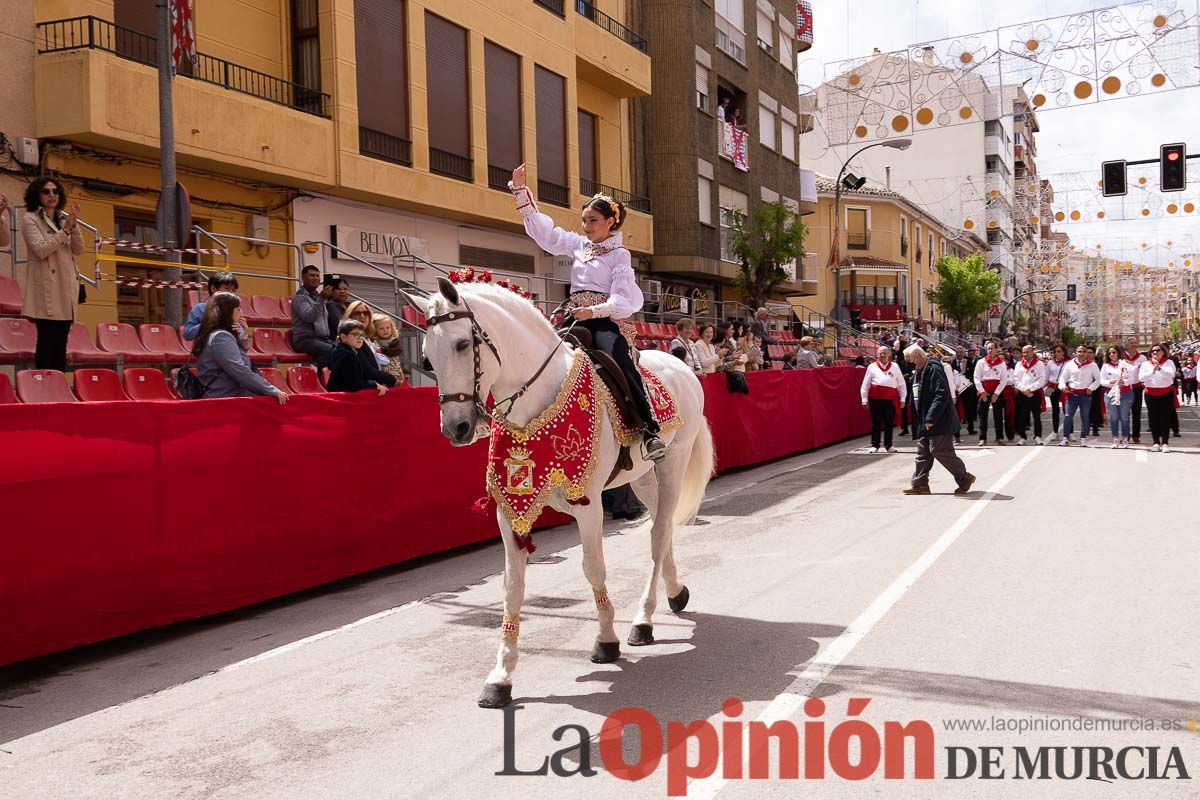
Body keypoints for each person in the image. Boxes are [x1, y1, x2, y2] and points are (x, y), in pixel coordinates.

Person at [509, 164, 666, 459]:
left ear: (610, 222)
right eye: (583, 221)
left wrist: (593, 312)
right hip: (573, 316)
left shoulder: (620, 254)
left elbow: (626, 300)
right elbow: (547, 235)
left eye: (593, 220)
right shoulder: (579, 245)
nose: (586, 226)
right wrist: (521, 194)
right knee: (540, 354)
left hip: (603, 319)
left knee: (619, 358)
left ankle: (648, 430)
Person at [20, 177, 84, 372]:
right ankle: (44, 389)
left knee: (61, 344)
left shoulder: (65, 218)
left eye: (55, 191)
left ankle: (58, 389)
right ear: (36, 195)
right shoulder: (30, 218)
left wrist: (73, 227)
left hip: (65, 288)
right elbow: (40, 250)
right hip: (47, 289)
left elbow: (79, 249)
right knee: (47, 342)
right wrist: (65, 231)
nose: (52, 195)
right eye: (46, 192)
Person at [902, 344, 974, 496]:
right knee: (923, 453)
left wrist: (931, 417)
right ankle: (920, 485)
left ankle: (964, 478)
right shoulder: (919, 371)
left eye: (910, 360)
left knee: (940, 450)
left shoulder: (933, 368)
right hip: (924, 420)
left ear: (918, 357)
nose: (909, 364)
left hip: (938, 420)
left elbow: (941, 394)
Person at [191, 292, 287, 403]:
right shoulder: (221, 337)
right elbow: (240, 370)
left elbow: (240, 357)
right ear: (227, 312)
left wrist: (239, 337)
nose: (240, 315)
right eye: (237, 310)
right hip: (222, 399)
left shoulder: (219, 334)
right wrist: (271, 390)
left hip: (227, 396)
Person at [861, 345, 907, 453]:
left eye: (884, 353)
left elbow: (901, 383)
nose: (882, 355)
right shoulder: (872, 366)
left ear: (889, 355)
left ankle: (889, 445)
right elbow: (865, 384)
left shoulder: (895, 366)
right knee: (876, 423)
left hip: (890, 399)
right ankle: (875, 445)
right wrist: (864, 399)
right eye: (880, 353)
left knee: (889, 423)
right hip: (875, 399)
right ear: (877, 354)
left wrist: (903, 398)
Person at [326, 319, 390, 395]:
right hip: (342, 397)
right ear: (343, 337)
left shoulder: (340, 349)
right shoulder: (348, 355)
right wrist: (375, 385)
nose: (360, 338)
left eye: (362, 335)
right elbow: (355, 384)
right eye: (355, 334)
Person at [344, 300, 397, 389]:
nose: (362, 316)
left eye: (366, 313)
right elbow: (367, 371)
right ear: (350, 317)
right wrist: (392, 379)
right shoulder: (351, 339)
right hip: (359, 391)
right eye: (357, 313)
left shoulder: (368, 338)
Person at [1058, 344, 1100, 447]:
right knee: (1068, 416)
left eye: (1084, 351)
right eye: (1079, 351)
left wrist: (1091, 387)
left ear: (1087, 353)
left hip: (1085, 394)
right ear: (1076, 353)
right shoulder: (1069, 364)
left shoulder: (1093, 365)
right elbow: (1062, 378)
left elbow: (1098, 379)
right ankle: (1065, 438)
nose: (1081, 354)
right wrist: (1062, 387)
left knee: (1085, 417)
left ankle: (1083, 439)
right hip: (1072, 394)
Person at [291, 265, 334, 364]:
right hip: (304, 340)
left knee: (345, 351)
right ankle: (323, 377)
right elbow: (309, 317)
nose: (315, 278)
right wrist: (322, 299)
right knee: (331, 351)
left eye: (317, 276)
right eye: (312, 275)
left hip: (322, 339)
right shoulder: (300, 297)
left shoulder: (318, 296)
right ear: (303, 278)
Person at [183, 271, 241, 343]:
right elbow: (187, 334)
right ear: (213, 288)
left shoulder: (235, 309)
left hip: (228, 348)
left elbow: (241, 331)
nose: (231, 293)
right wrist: (207, 323)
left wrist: (239, 331)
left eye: (233, 290)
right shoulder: (199, 309)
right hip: (206, 350)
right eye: (226, 289)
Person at [1139, 343, 1177, 452]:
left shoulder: (1169, 362)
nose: (1155, 352)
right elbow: (1141, 378)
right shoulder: (1146, 364)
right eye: (1153, 351)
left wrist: (1160, 368)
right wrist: (1152, 370)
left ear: (1163, 352)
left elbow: (1171, 375)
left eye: (1158, 350)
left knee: (1165, 418)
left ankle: (1165, 443)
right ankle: (1155, 442)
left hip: (1166, 393)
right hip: (1150, 393)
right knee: (1153, 418)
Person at [973, 341, 1009, 446]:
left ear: (997, 350)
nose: (990, 350)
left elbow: (1003, 380)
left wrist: (997, 393)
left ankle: (999, 437)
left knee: (998, 415)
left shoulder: (1001, 364)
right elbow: (976, 378)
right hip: (984, 390)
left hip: (996, 391)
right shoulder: (981, 362)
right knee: (983, 415)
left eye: (992, 348)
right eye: (988, 348)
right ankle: (982, 438)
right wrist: (982, 391)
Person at [1100, 345, 1135, 448]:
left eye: (1114, 352)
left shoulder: (1125, 364)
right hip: (1111, 393)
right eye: (1109, 353)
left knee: (1124, 417)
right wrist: (1111, 382)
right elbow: (1102, 381)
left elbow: (1133, 378)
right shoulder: (1105, 366)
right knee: (1114, 418)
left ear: (1118, 353)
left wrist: (1124, 382)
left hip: (1125, 393)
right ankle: (1115, 439)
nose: (1111, 355)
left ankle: (1125, 439)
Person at [1011, 344, 1047, 445]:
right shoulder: (1019, 364)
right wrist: (1023, 389)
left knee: (1036, 416)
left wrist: (1030, 389)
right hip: (1022, 394)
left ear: (1032, 352)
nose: (1025, 354)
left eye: (1028, 352)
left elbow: (1042, 379)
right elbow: (1016, 379)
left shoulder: (1039, 364)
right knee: (1022, 416)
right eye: (1024, 352)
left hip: (1034, 394)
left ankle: (1038, 436)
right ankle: (1022, 437)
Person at [371, 312, 408, 385]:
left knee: (396, 380)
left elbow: (397, 351)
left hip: (393, 366)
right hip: (381, 368)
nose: (385, 330)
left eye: (388, 327)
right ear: (375, 330)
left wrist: (383, 350)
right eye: (381, 328)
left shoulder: (393, 340)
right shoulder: (374, 342)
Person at [1123, 337, 1147, 444]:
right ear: (1126, 345)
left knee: (1136, 412)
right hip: (1125, 388)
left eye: (1135, 343)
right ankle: (1126, 435)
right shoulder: (1121, 357)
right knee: (1125, 413)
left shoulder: (1142, 358)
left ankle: (1136, 435)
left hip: (1137, 388)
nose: (1134, 345)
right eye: (1131, 343)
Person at [1044, 344, 1069, 438]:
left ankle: (1069, 433)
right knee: (1055, 410)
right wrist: (1042, 387)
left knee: (1067, 410)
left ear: (1063, 352)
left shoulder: (1068, 362)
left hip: (1064, 387)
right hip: (1053, 387)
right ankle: (1055, 432)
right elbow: (1046, 377)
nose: (1056, 353)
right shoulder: (1050, 363)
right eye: (1055, 352)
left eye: (1059, 351)